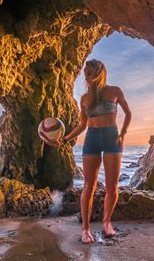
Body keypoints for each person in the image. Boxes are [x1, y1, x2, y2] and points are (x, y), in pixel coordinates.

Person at [53, 59, 132, 244]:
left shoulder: (115, 91)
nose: (86, 77)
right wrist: (65, 139)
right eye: (85, 74)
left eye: (89, 73)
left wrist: (123, 134)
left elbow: (128, 113)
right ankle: (86, 230)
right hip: (92, 138)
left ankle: (106, 222)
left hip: (112, 137)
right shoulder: (85, 99)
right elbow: (82, 125)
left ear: (99, 73)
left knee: (112, 186)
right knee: (89, 185)